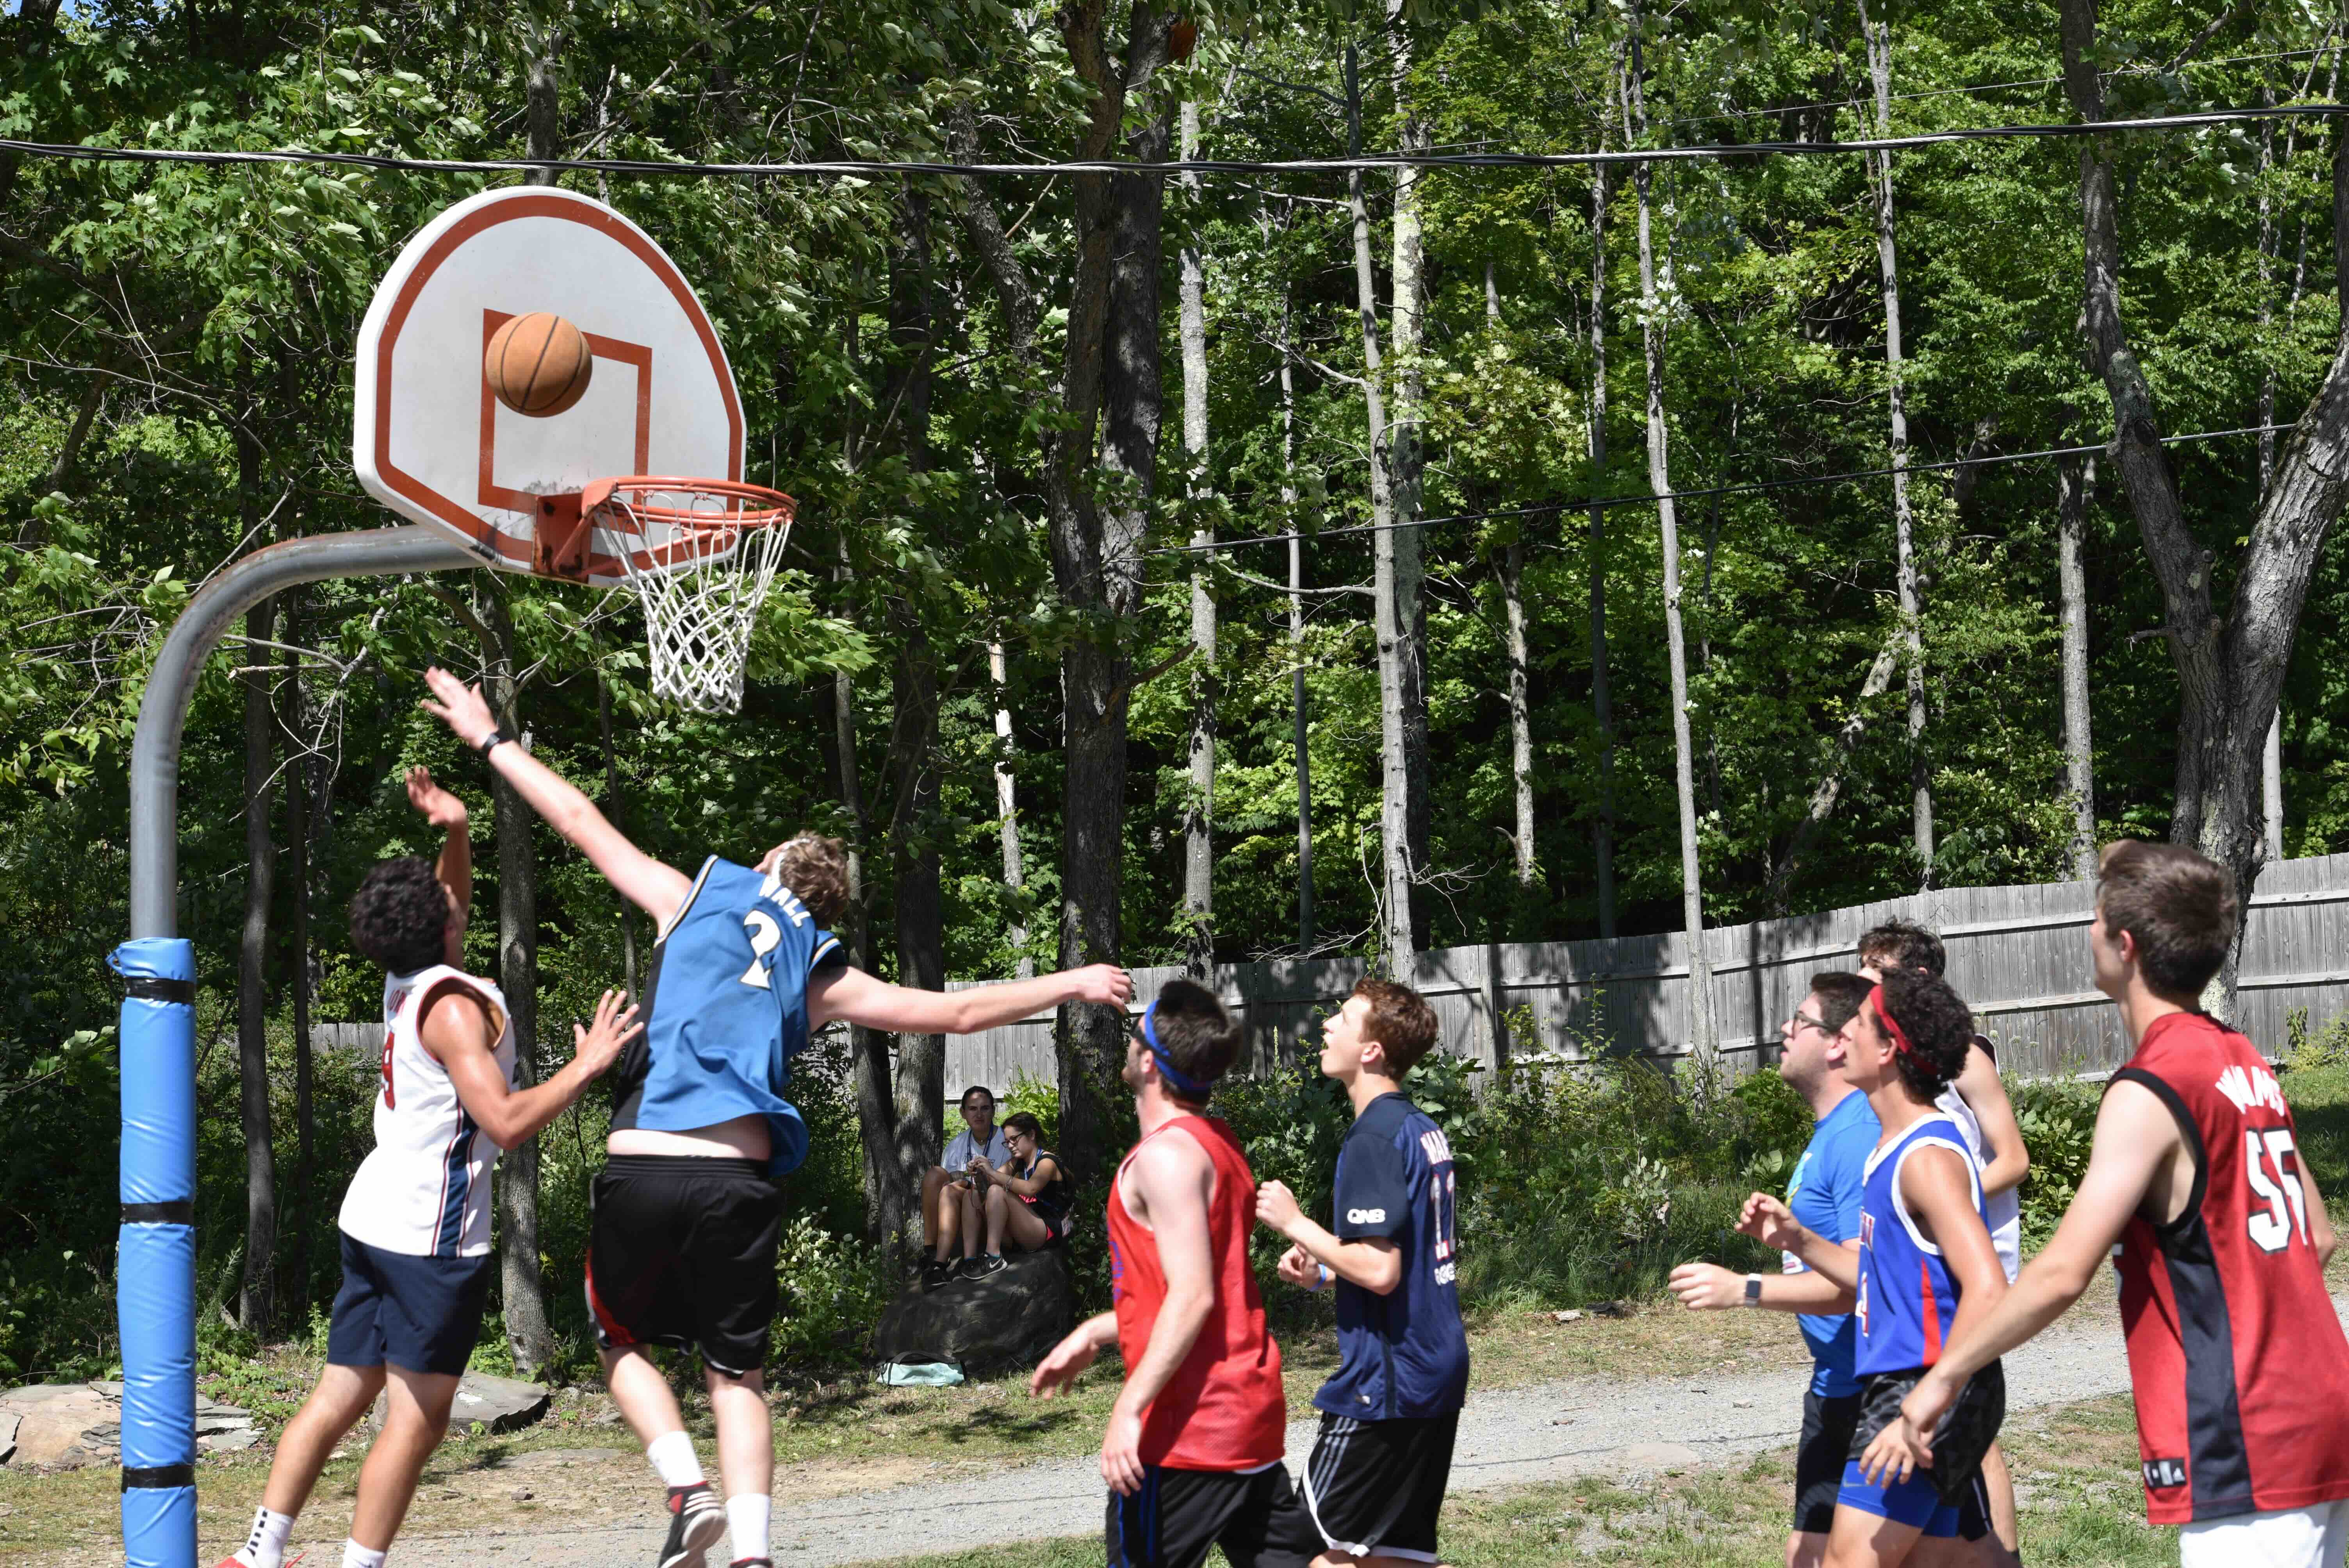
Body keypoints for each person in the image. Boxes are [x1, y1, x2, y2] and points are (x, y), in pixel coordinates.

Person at [418, 668, 1134, 1568]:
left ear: (764, 870)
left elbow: (577, 819)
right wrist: (1070, 979)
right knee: (736, 1373)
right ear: (824, 909)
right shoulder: (821, 973)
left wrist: (489, 738)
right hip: (734, 1177)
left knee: (618, 1335)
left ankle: (686, 1489)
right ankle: (751, 1555)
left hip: (643, 1160)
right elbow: (952, 1012)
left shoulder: (690, 896)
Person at [219, 767, 643, 1568]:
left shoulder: (408, 978)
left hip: (374, 1212)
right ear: (439, 921)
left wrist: (455, 830)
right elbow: (505, 1121)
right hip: (427, 1235)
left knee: (341, 1394)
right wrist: (586, 1065)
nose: (455, 897)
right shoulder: (452, 1008)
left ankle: (259, 1552)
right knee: (418, 1419)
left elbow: (449, 899)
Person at [1882, 841, 2349, 1568]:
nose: (2088, 934)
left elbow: (2062, 1272)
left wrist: (1943, 1378)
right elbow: (2316, 1236)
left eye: (2095, 921)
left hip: (2247, 1426)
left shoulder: (2150, 1087)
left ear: (2123, 946)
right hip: (2322, 1400)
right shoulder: (2241, 1057)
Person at [1030, 979, 1312, 1568]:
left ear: (1149, 1063)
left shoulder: (1165, 1160)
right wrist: (1093, 1332)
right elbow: (1192, 1291)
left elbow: (1193, 1297)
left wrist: (1129, 1410)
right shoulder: (1216, 1142)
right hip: (1246, 1426)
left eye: (1134, 1036)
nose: (1128, 1046)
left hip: (1187, 1434)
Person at [1740, 967, 2010, 1568]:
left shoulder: (1926, 1157)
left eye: (1856, 1026)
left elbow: (1989, 1287)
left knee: (1845, 1562)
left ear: (1887, 1049)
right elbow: (1877, 1274)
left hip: (1920, 1387)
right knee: (1944, 1561)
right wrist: (1800, 1241)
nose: (1839, 1040)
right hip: (1913, 1383)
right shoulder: (1892, 1146)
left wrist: (1929, 1399)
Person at [1256, 977, 1471, 1568]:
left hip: (1390, 1382)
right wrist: (1324, 1276)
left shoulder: (1373, 1138)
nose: (1327, 1026)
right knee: (1392, 1557)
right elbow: (1413, 1264)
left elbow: (1380, 1269)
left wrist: (1297, 1224)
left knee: (1307, 1552)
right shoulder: (1419, 1129)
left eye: (1343, 1019)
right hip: (1435, 1366)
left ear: (1372, 1050)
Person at [1668, 971, 1878, 1568]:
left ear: (1838, 1042)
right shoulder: (1830, 1134)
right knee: (1806, 1556)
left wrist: (1745, 1288)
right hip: (1833, 1383)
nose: (1785, 1030)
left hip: (1872, 1390)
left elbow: (1860, 1285)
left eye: (1802, 1022)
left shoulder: (1859, 1134)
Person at [1856, 919, 2030, 1561]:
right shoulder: (1895, 1063)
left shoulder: (1964, 1057)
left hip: (1969, 1261)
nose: (1865, 982)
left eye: (1879, 971)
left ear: (1920, 977)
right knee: (1958, 1433)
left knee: (1971, 1425)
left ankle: (2000, 1553)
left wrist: (1937, 1207)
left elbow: (2014, 1158)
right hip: (1929, 1254)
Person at [924, 1085, 1012, 1287]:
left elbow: (1007, 1185)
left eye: (985, 1108)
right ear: (963, 1113)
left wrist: (965, 1180)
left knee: (967, 1190)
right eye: (973, 1109)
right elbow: (947, 1186)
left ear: (994, 1110)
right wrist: (958, 1181)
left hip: (996, 1217)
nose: (979, 1114)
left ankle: (946, 1260)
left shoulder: (1007, 1142)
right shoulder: (956, 1146)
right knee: (939, 1179)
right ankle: (936, 1258)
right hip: (965, 1217)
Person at [968, 1109, 1069, 1263]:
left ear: (1032, 1135)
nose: (1010, 1145)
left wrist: (992, 1172)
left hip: (1045, 1231)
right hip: (1024, 1230)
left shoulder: (1047, 1161)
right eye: (1007, 1141)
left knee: (997, 1191)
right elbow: (990, 1182)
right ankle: (969, 1258)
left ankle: (993, 1257)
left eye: (1014, 1139)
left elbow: (1031, 1189)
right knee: (974, 1193)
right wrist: (979, 1172)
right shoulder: (1018, 1162)